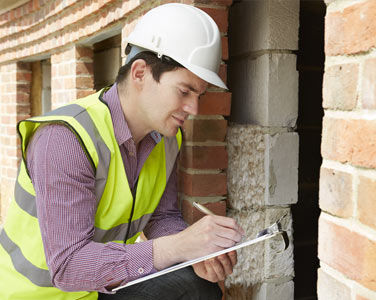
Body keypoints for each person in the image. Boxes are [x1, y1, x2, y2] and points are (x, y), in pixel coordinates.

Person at [0, 3, 245, 300]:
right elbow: (68, 266)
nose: (193, 108)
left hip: (100, 288)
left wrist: (195, 254)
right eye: (184, 91)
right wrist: (177, 248)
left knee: (197, 286)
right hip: (39, 295)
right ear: (140, 73)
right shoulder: (65, 139)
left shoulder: (167, 139)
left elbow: (161, 216)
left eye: (198, 95)